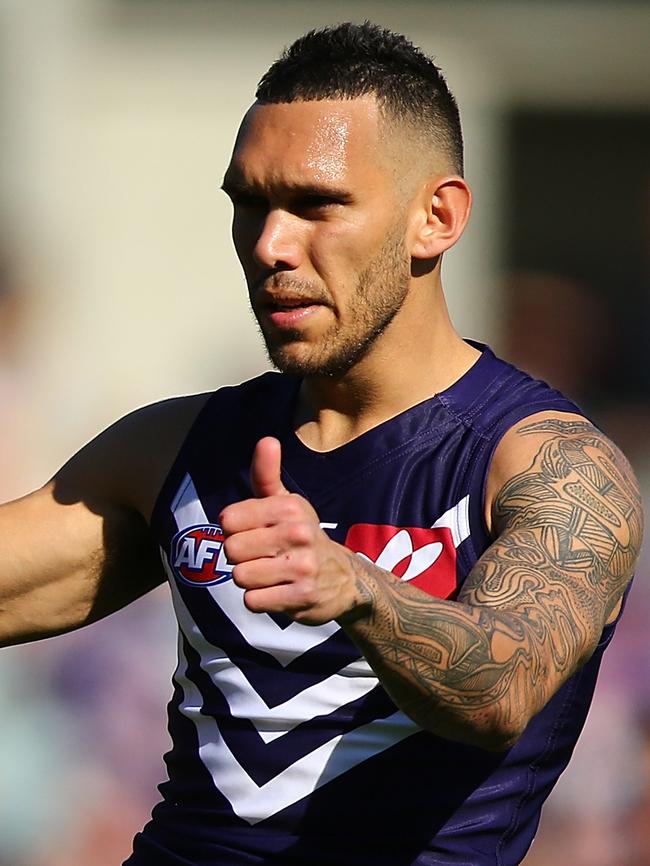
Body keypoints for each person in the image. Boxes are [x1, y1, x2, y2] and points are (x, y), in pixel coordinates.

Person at [0, 22, 643, 866]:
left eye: (316, 205)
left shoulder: (550, 464)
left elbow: (502, 688)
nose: (270, 245)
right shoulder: (177, 448)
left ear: (436, 217)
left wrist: (354, 585)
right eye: (249, 202)